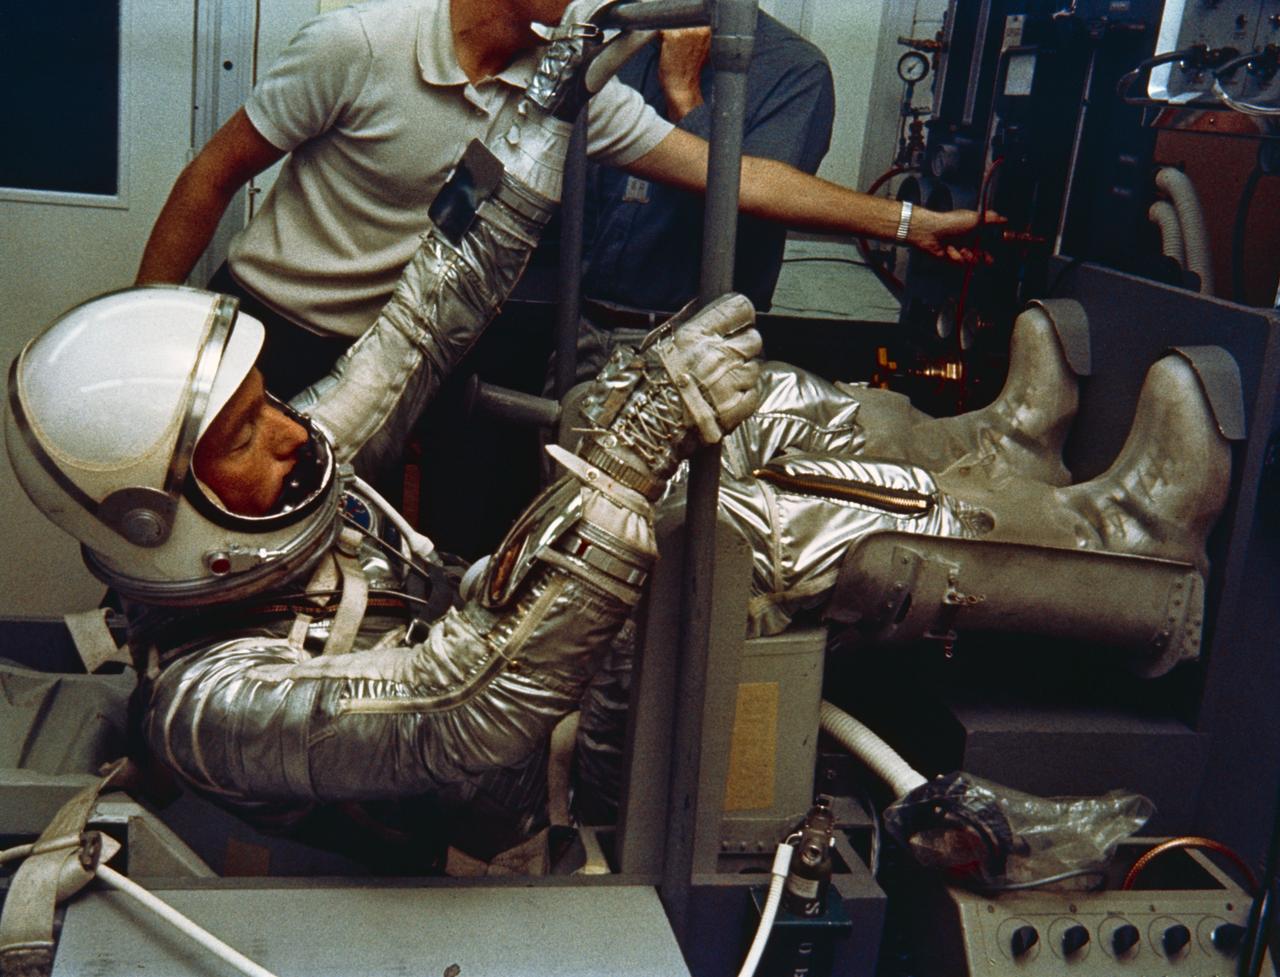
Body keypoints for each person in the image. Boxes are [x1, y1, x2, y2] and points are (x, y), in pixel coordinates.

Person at [7, 14, 764, 870]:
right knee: (764, 536)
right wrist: (637, 448)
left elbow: (428, 307)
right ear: (157, 517)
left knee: (773, 451)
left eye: (268, 405)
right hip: (487, 849)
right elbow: (458, 704)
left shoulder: (272, 498)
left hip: (532, 730)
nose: (296, 428)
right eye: (247, 433)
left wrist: (550, 95)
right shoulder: (208, 707)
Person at [570, 303, 1236, 822]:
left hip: (522, 627)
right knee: (725, 531)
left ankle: (991, 451)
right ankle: (1126, 541)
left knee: (675, 416)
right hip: (600, 754)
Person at [135, 0, 986, 399]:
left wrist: (909, 222)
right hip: (267, 331)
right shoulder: (360, 43)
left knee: (325, 571)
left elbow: (738, 176)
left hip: (389, 360)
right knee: (177, 544)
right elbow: (212, 173)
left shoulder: (569, 89)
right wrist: (141, 339)